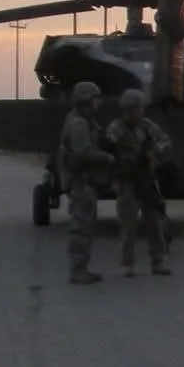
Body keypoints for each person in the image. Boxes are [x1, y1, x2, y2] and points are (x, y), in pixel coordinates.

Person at [103, 88, 173, 277]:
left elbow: (165, 141)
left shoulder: (147, 126)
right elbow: (108, 144)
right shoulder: (117, 128)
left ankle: (158, 261)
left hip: (146, 180)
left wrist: (154, 152)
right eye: (134, 109)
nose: (138, 112)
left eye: (139, 109)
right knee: (128, 225)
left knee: (154, 223)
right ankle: (128, 264)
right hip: (127, 182)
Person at [59, 81, 114, 285]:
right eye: (95, 100)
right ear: (86, 101)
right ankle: (78, 269)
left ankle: (81, 267)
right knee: (81, 226)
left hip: (84, 180)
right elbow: (84, 151)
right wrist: (106, 157)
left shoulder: (84, 120)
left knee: (85, 224)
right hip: (80, 180)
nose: (98, 104)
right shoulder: (79, 124)